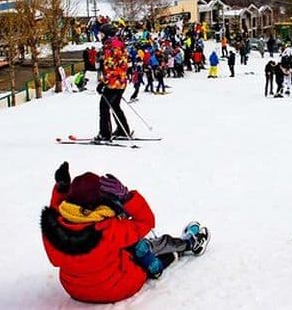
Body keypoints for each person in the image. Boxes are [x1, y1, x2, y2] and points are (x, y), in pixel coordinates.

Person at [41, 162, 209, 304]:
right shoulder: (108, 229)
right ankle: (188, 244)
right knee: (143, 245)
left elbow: (56, 209)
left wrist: (61, 189)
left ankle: (165, 258)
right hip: (117, 288)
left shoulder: (53, 227)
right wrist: (127, 197)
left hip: (75, 290)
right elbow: (146, 222)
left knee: (119, 248)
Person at [96, 24, 131, 141]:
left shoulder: (111, 47)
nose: (99, 36)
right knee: (115, 106)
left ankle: (105, 134)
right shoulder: (119, 44)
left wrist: (103, 82)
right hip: (121, 81)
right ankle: (123, 130)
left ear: (106, 34)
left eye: (101, 34)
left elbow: (111, 67)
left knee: (104, 106)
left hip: (113, 82)